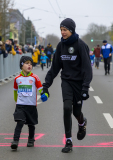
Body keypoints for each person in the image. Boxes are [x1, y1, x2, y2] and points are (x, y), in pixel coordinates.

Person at [42, 18, 92, 153]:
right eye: (61, 30)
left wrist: (85, 87)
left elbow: (87, 69)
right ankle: (68, 141)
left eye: (65, 30)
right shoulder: (60, 46)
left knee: (76, 112)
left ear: (71, 30)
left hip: (79, 83)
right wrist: (45, 86)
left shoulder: (81, 45)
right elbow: (54, 68)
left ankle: (82, 123)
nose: (62, 32)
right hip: (67, 82)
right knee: (66, 108)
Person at [11, 56, 48, 150]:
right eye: (27, 63)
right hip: (20, 105)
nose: (29, 65)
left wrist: (44, 95)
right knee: (20, 122)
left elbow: (41, 89)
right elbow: (15, 91)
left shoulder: (35, 77)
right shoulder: (17, 78)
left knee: (31, 124)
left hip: (31, 105)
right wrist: (17, 101)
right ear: (21, 65)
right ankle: (15, 141)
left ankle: (31, 139)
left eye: (31, 64)